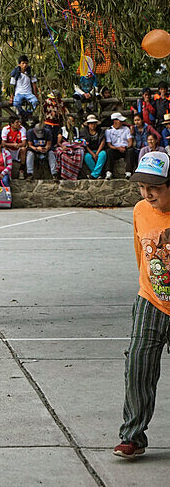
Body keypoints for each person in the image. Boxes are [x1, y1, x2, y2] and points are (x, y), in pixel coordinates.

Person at [112, 150, 170, 460]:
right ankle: (132, 436)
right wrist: (148, 289)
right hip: (151, 300)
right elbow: (142, 257)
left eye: (155, 187)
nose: (147, 193)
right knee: (137, 366)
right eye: (141, 187)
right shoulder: (139, 211)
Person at [105, 112, 135, 178]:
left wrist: (126, 147)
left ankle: (128, 172)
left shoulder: (126, 129)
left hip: (125, 148)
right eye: (120, 121)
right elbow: (109, 144)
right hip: (115, 149)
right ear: (114, 121)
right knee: (108, 151)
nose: (121, 122)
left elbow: (130, 141)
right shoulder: (108, 131)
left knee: (131, 151)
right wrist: (118, 148)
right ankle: (109, 172)